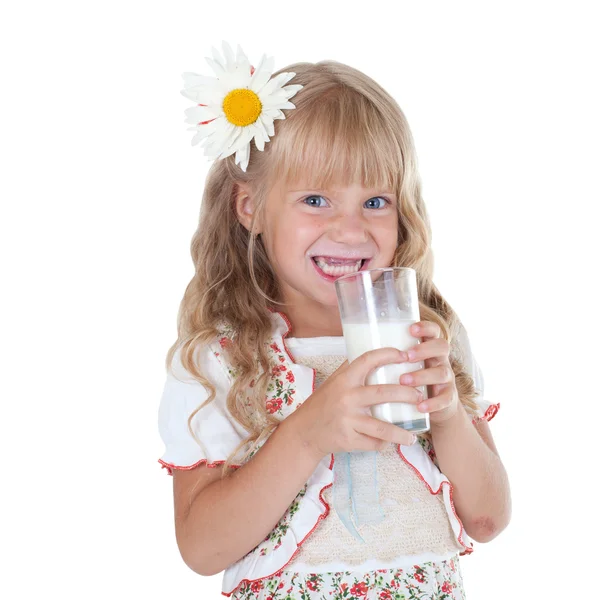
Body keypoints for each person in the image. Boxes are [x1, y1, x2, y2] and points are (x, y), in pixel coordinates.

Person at [157, 41, 511, 600]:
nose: (351, 230)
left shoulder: (428, 338)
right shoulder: (221, 358)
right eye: (316, 199)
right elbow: (202, 550)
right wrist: (306, 433)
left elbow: (489, 521)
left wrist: (447, 415)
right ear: (249, 207)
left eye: (376, 202)